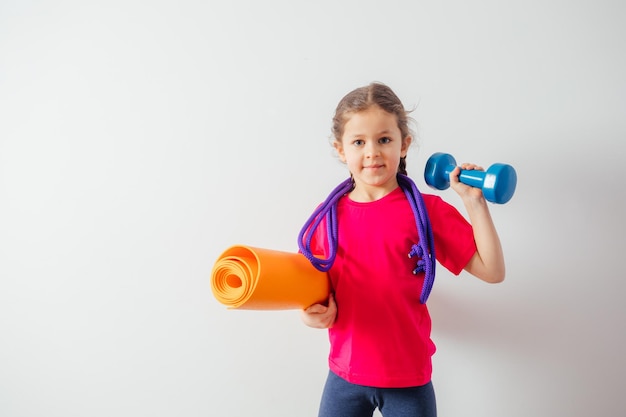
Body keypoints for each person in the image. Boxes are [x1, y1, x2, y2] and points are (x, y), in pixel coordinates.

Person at [298, 82, 506, 417]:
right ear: (341, 149)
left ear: (404, 144)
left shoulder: (427, 212)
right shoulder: (328, 217)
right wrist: (309, 313)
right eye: (358, 142)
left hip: (409, 378)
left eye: (384, 139)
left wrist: (475, 203)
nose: (372, 152)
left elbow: (492, 271)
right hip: (344, 375)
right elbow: (307, 288)